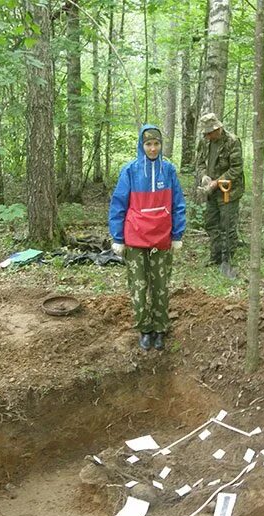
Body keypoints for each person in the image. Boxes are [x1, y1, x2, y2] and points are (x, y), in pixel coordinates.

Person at [109, 125, 186, 351]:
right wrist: (118, 237)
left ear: (161, 145)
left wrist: (177, 234)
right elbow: (118, 204)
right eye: (148, 144)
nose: (152, 148)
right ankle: (144, 329)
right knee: (139, 286)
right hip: (135, 239)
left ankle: (160, 328)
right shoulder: (130, 170)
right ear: (141, 146)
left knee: (160, 285)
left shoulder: (168, 170)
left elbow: (178, 204)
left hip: (161, 239)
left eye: (156, 144)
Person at [194, 112, 245, 279]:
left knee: (227, 226)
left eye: (210, 133)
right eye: (206, 133)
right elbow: (200, 162)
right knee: (211, 223)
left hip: (228, 191)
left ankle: (227, 260)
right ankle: (215, 257)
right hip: (212, 191)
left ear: (218, 128)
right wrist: (204, 177)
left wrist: (217, 182)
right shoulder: (204, 142)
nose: (208, 136)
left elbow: (236, 169)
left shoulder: (232, 141)